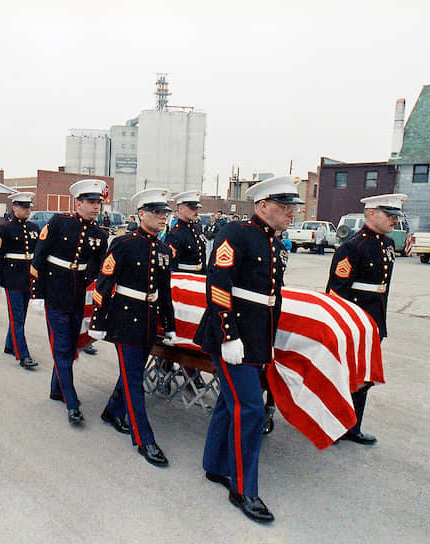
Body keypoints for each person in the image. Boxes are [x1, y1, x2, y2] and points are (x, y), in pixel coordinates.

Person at [194, 175, 303, 523]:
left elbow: (272, 295)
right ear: (262, 206)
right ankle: (243, 488)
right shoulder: (236, 234)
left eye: (292, 208)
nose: (291, 214)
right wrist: (228, 336)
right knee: (252, 409)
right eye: (284, 207)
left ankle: (214, 465)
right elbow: (218, 285)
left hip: (256, 337)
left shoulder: (274, 241)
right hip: (232, 336)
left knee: (231, 404)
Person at [90, 188, 178, 466]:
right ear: (141, 214)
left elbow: (165, 292)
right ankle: (144, 439)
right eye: (157, 212)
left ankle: (112, 412)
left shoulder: (164, 250)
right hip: (125, 319)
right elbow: (104, 282)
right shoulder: (124, 243)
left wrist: (171, 326)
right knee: (134, 380)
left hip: (149, 319)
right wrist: (97, 321)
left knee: (133, 371)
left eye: (165, 213)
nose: (163, 217)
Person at [326, 193, 406, 445]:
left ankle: (352, 426)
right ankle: (332, 425)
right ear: (371, 214)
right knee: (345, 376)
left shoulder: (388, 245)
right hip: (355, 322)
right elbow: (336, 293)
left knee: (364, 377)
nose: (394, 220)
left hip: (375, 320)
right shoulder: (352, 247)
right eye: (389, 215)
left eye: (396, 216)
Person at [31, 179, 109, 425]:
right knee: (62, 346)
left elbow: (97, 271)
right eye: (91, 203)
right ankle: (72, 402)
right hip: (55, 292)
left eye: (98, 203)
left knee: (71, 345)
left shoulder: (99, 234)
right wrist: (36, 293)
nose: (96, 207)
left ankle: (57, 389)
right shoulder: (59, 223)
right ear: (78, 203)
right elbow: (39, 258)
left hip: (78, 297)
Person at [164, 190, 209, 388]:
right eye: (192, 208)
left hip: (198, 282)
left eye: (196, 208)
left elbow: (202, 259)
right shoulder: (175, 234)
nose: (195, 211)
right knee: (180, 329)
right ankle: (167, 367)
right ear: (180, 209)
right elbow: (171, 267)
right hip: (182, 287)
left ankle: (191, 371)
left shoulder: (196, 229)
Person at [0, 192, 39, 369]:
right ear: (15, 207)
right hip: (12, 278)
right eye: (24, 207)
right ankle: (23, 355)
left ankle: (10, 345)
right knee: (17, 316)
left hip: (27, 278)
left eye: (29, 207)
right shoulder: (6, 228)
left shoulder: (34, 228)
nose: (28, 210)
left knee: (21, 316)